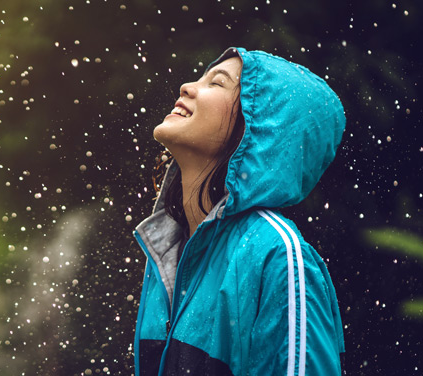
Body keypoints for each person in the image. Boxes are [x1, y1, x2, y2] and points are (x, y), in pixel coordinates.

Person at [132, 47, 345, 375]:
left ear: (259, 128)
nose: (187, 86)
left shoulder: (277, 255)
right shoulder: (168, 247)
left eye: (216, 83)